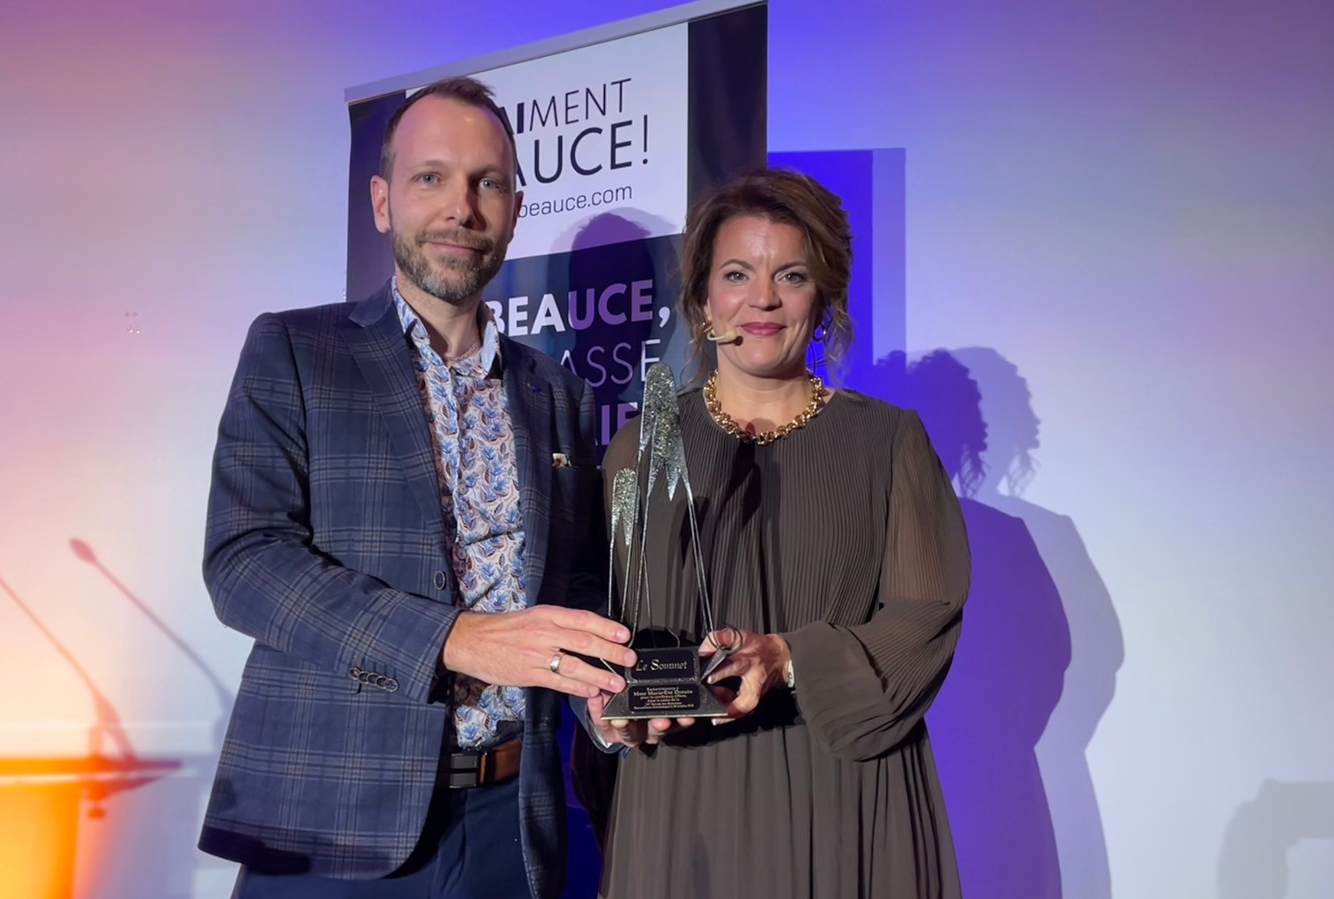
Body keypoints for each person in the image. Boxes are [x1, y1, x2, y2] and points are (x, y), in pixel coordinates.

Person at [199, 75, 635, 899]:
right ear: (382, 201)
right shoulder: (297, 350)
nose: (460, 208)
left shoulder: (559, 395)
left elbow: (573, 587)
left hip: (515, 824)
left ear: (514, 209)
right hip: (331, 818)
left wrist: (605, 699)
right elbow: (245, 562)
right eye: (431, 177)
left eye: (487, 183)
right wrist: (454, 638)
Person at [585, 168, 971, 899]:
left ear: (822, 296)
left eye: (790, 275)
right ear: (703, 299)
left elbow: (925, 618)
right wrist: (611, 715)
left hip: (842, 787)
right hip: (684, 796)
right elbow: (607, 625)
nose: (762, 298)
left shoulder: (888, 441)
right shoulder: (638, 447)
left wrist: (792, 657)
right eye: (737, 274)